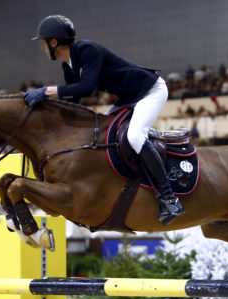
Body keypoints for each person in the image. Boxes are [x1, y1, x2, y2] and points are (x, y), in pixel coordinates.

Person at [24, 15, 184, 225]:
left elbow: (86, 87)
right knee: (100, 136)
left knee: (135, 136)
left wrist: (45, 91)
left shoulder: (87, 50)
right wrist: (46, 112)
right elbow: (74, 99)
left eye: (43, 43)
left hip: (149, 91)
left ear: (54, 42)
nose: (43, 48)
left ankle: (169, 198)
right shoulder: (68, 65)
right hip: (127, 98)